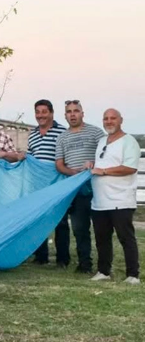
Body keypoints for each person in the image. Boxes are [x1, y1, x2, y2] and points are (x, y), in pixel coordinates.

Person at [86, 108, 140, 284]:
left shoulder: (129, 141)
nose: (109, 121)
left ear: (120, 120)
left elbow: (129, 168)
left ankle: (133, 275)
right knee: (102, 239)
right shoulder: (102, 141)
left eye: (112, 118)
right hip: (100, 201)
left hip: (120, 200)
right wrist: (93, 165)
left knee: (126, 238)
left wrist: (103, 171)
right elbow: (103, 162)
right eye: (106, 118)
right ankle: (103, 271)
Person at [55, 100, 106, 274]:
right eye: (69, 111)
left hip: (97, 187)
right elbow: (59, 164)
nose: (72, 114)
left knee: (101, 228)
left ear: (82, 113)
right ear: (65, 116)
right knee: (79, 229)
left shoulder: (96, 133)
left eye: (76, 111)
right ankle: (85, 264)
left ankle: (104, 266)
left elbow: (109, 154)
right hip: (76, 190)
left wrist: (94, 163)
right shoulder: (62, 137)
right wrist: (72, 172)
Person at [24, 99, 67, 266]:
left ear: (51, 113)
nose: (40, 115)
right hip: (38, 184)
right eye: (38, 112)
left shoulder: (62, 132)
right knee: (38, 219)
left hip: (58, 184)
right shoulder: (33, 134)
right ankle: (41, 256)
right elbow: (30, 157)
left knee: (61, 221)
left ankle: (62, 259)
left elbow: (66, 157)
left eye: (44, 112)